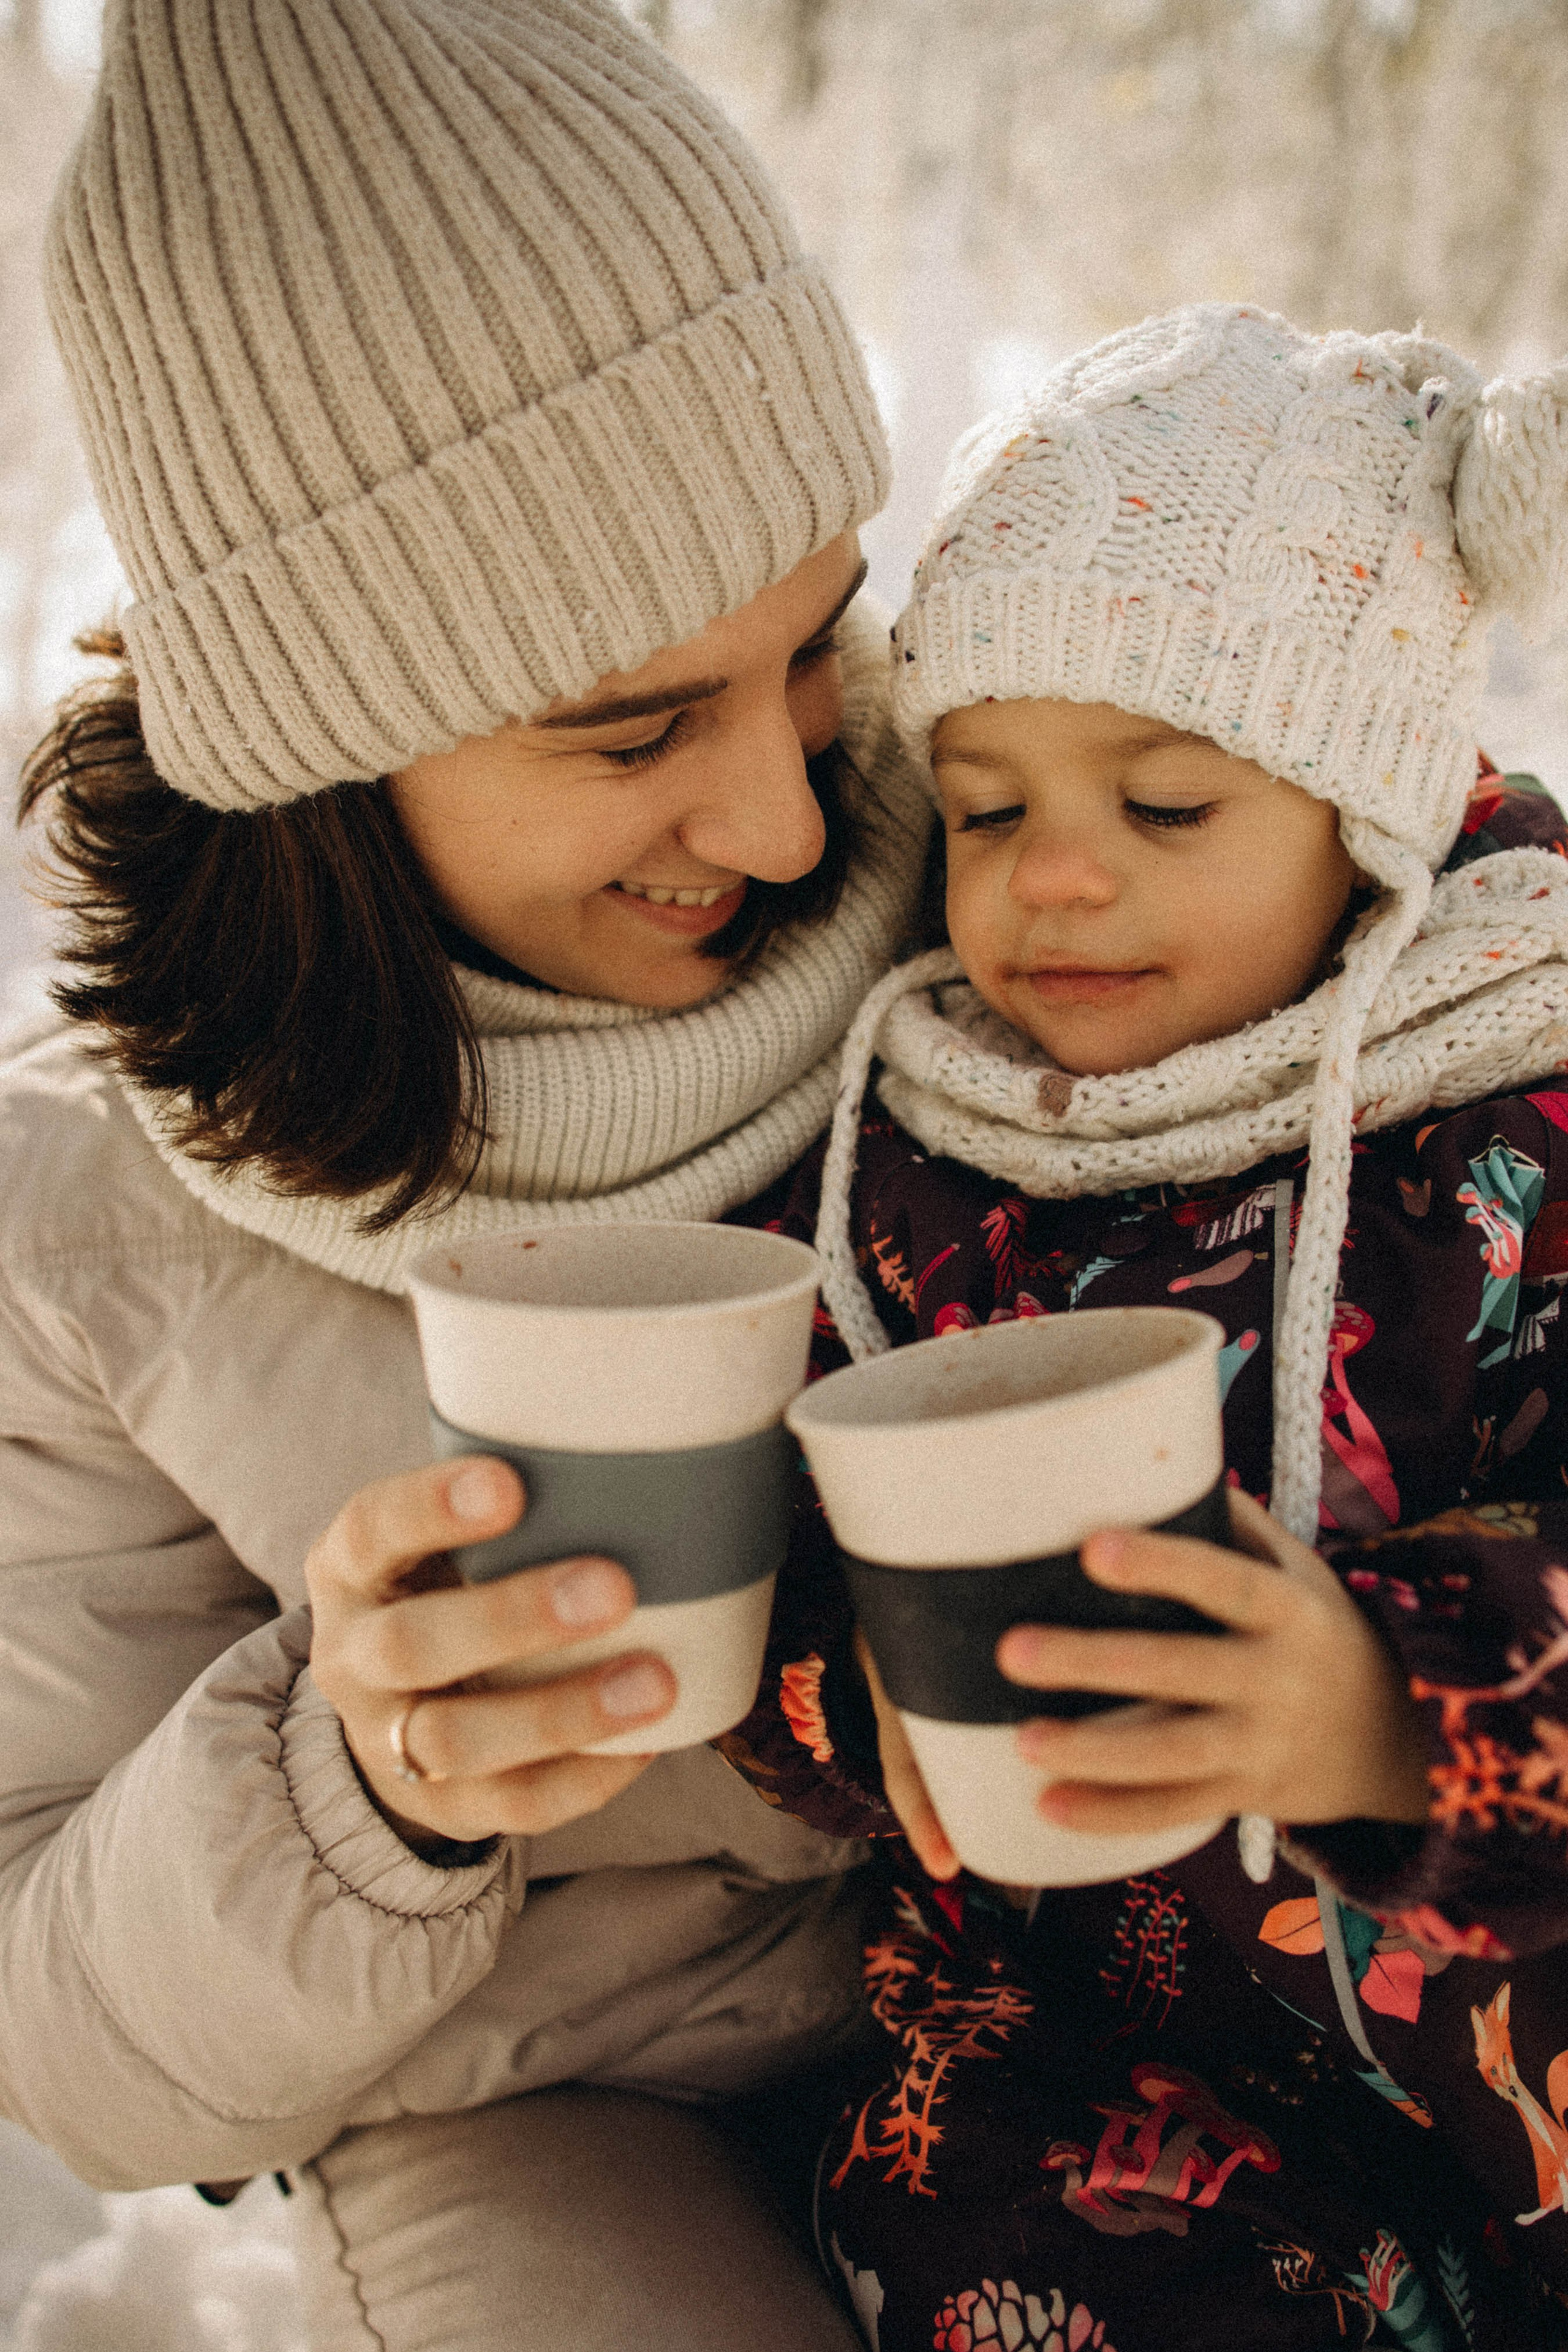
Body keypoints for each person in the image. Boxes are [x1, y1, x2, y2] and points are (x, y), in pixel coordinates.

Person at [0, 4, 932, 2346]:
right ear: (328, 752)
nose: (791, 821)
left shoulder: (1035, 874)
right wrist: (362, 1785)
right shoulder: (90, 1223)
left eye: (815, 644)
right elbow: (57, 2044)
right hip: (566, 2104)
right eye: (633, 727)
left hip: (1134, 1992)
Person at [720, 303, 1568, 2346]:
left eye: (1167, 807)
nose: (1056, 882)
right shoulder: (909, 1154)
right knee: (971, 2238)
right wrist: (855, 1693)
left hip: (1507, 2042)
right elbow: (778, 1549)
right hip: (1095, 2073)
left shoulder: (1523, 1123)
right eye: (988, 808)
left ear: (1369, 813)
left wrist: (1389, 1709)